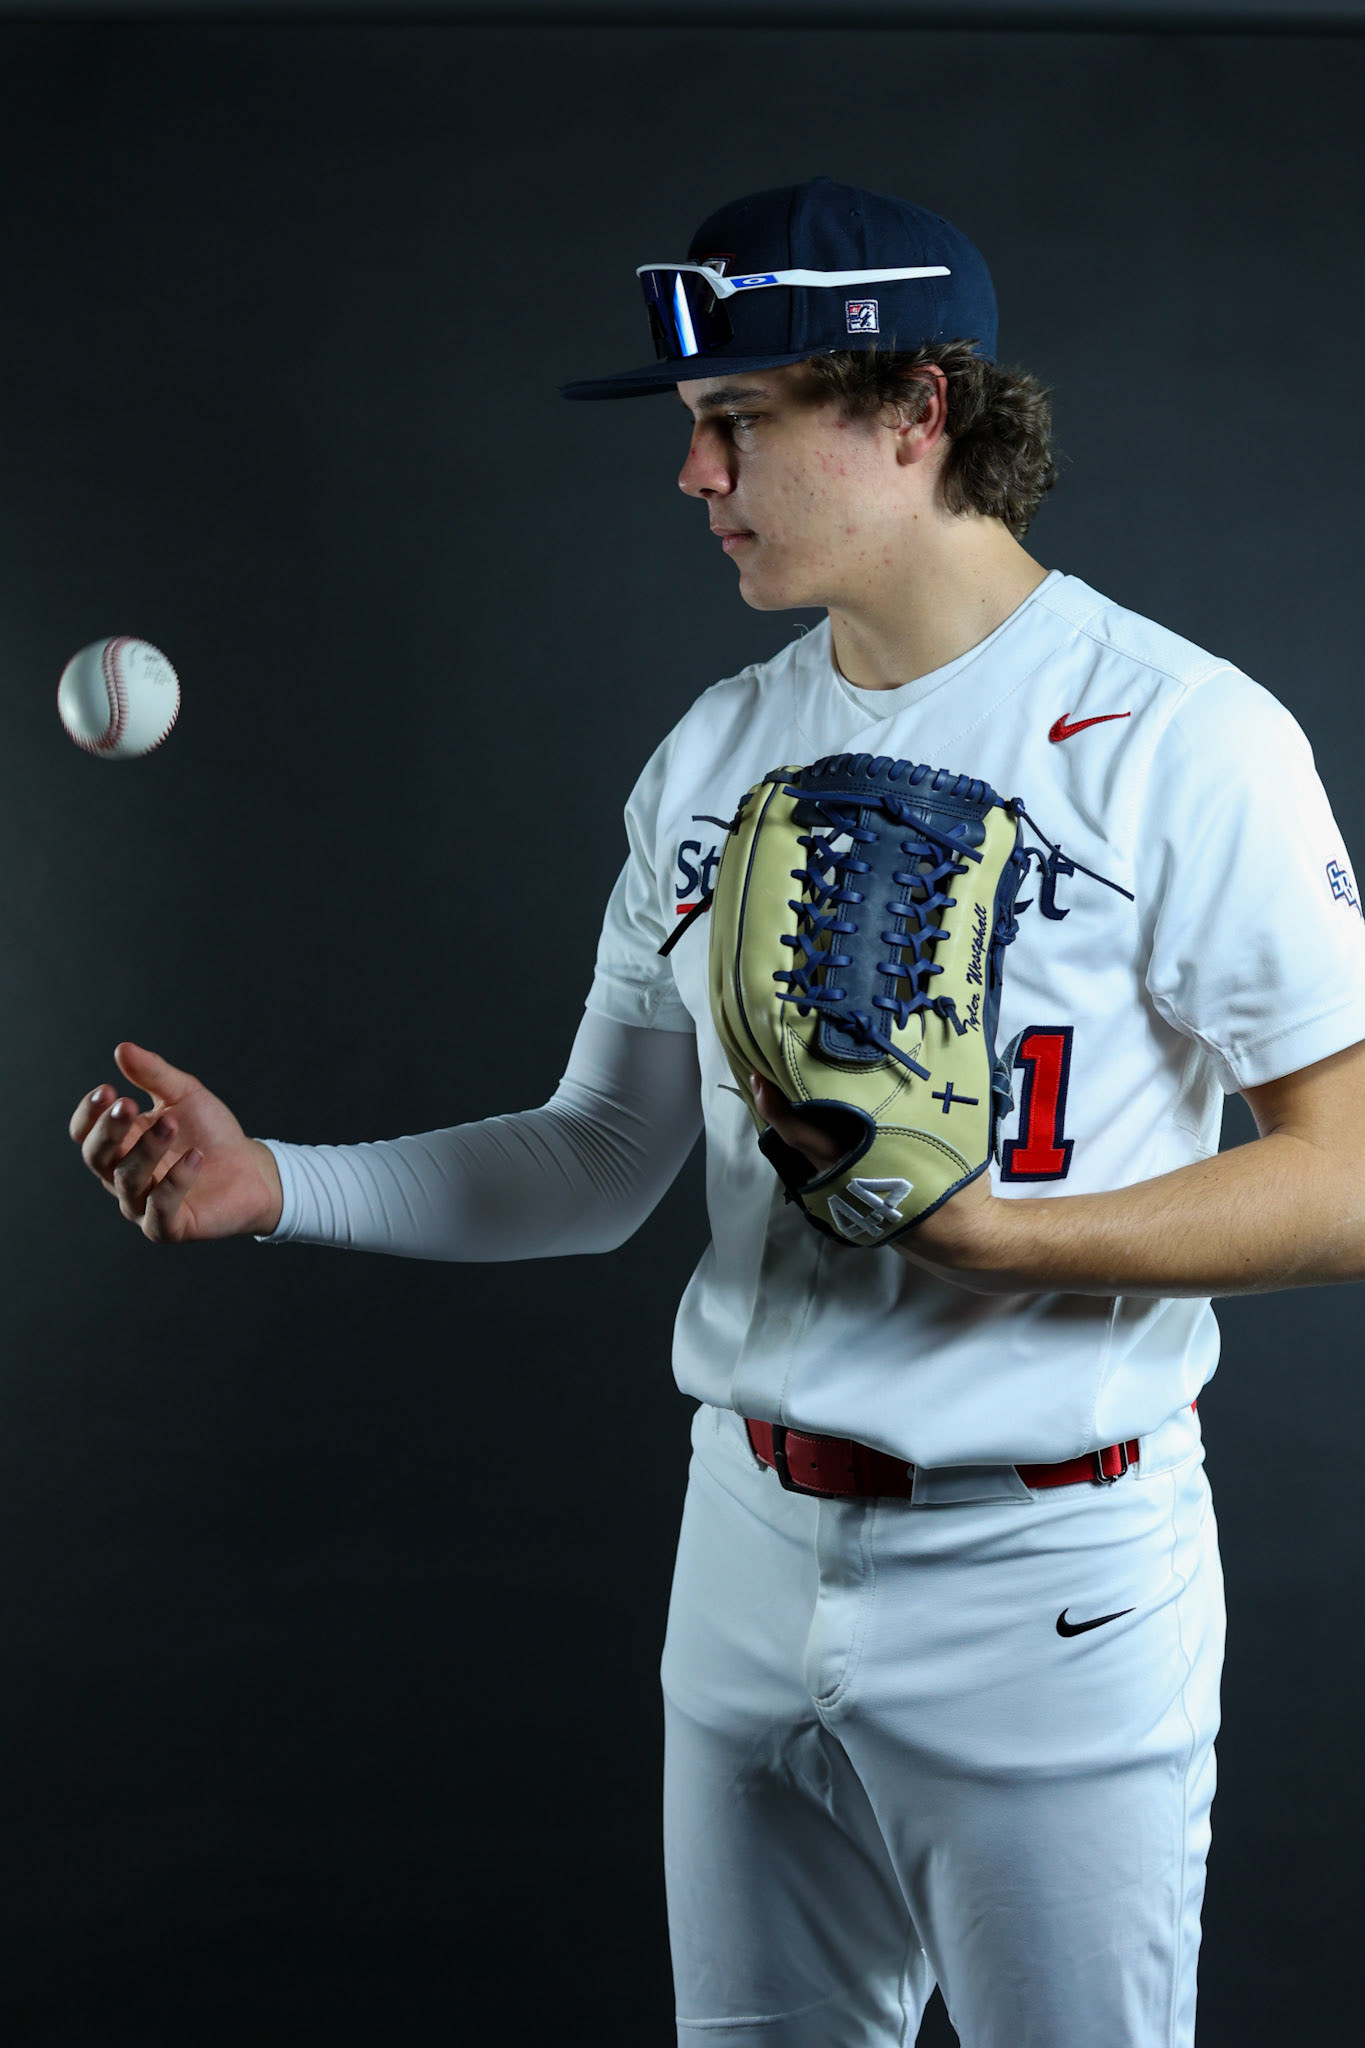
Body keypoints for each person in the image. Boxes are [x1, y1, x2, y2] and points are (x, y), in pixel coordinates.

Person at [70, 176, 1365, 2046]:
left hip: (1047, 1578)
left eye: (735, 423)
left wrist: (999, 1239)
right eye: (694, 430)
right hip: (745, 1557)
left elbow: (1346, 1177)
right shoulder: (712, 751)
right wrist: (276, 1184)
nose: (693, 476)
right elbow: (597, 1163)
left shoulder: (1180, 735)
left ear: (918, 412)